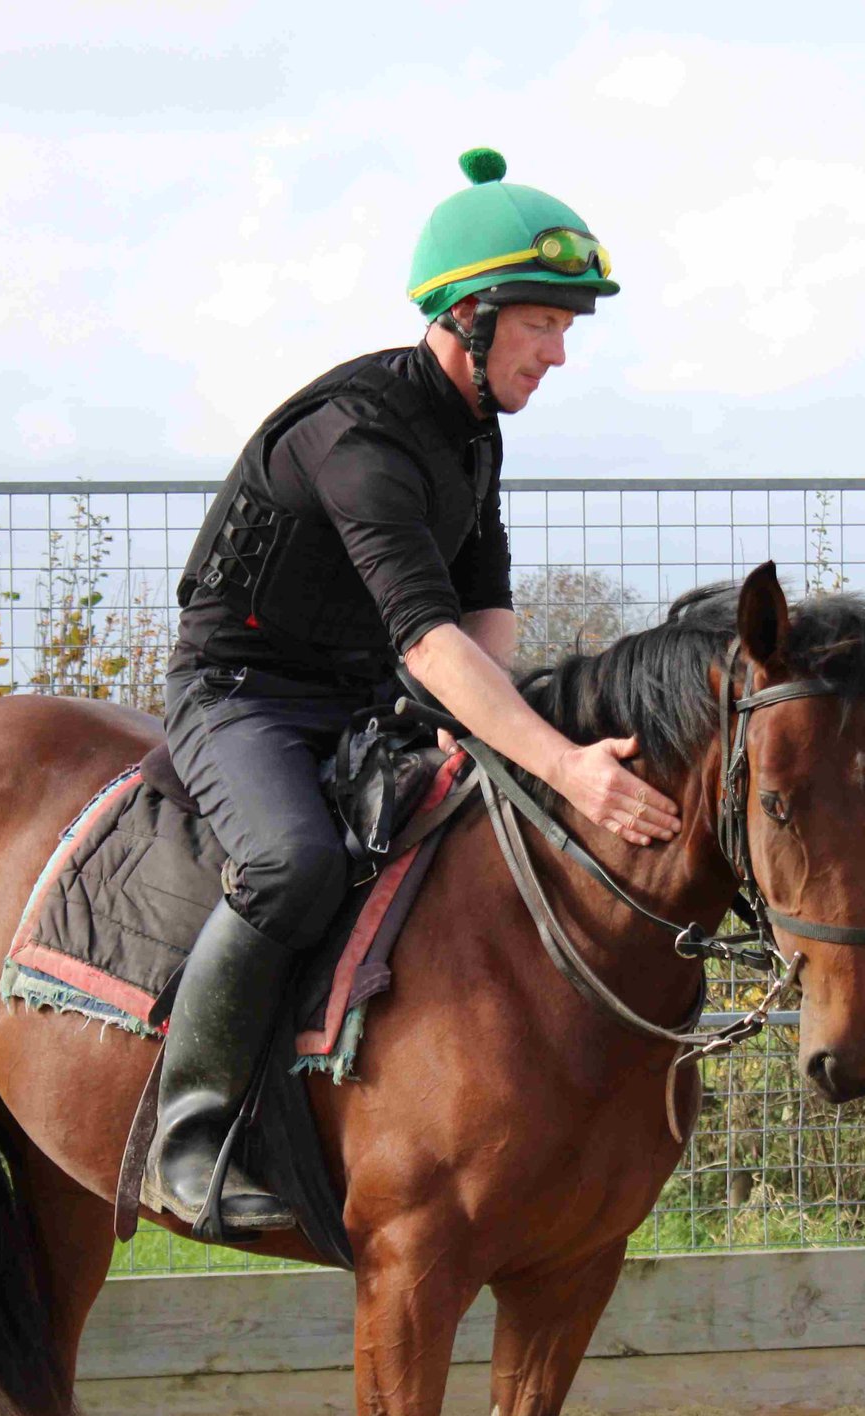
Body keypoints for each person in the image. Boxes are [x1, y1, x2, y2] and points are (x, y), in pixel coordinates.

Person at [148, 148, 682, 1235]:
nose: (559, 352)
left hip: (362, 700)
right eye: (543, 324)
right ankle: (186, 1133)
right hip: (242, 694)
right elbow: (428, 638)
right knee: (293, 864)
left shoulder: (471, 431)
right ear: (470, 317)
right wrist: (566, 765)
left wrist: (482, 731)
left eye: (566, 327)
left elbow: (484, 608)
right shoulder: (359, 433)